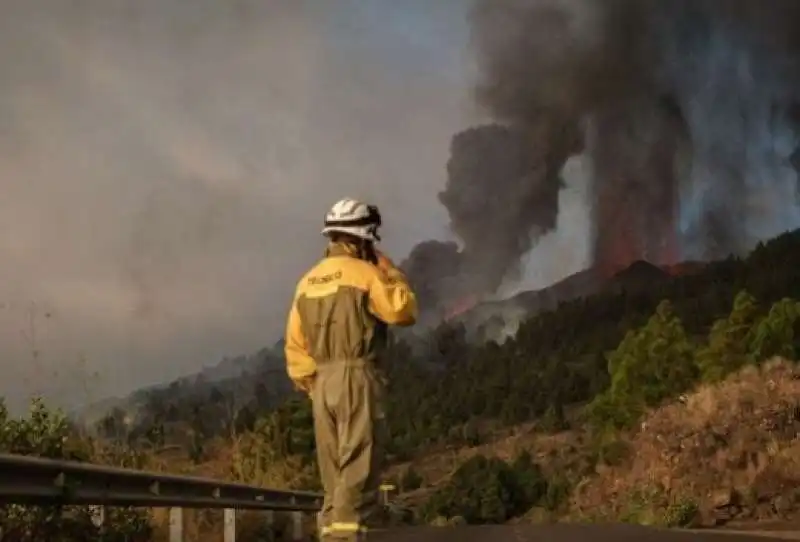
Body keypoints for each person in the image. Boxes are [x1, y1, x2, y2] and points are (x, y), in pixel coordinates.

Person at [284, 198, 418, 541]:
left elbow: (295, 345)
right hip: (357, 376)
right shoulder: (366, 274)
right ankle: (344, 536)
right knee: (358, 464)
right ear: (362, 237)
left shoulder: (306, 282)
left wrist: (314, 384)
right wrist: (391, 273)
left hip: (321, 384)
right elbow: (402, 311)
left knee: (334, 474)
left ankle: (330, 532)